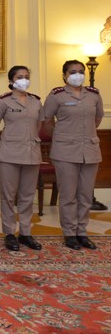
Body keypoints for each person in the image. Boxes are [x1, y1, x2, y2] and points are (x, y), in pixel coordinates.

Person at [43, 60, 103, 250]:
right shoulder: (56, 95)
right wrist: (61, 137)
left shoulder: (93, 94)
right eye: (72, 72)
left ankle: (82, 232)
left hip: (90, 151)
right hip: (65, 151)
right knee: (68, 195)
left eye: (80, 71)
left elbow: (98, 118)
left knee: (85, 195)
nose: (77, 75)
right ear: (64, 75)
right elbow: (47, 121)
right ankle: (69, 233)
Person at [0, 65, 44, 251]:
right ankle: (10, 233)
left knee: (27, 195)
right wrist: (0, 148)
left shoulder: (36, 101)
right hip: (8, 155)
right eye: (19, 77)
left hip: (31, 154)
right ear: (11, 80)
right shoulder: (3, 101)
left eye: (26, 76)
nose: (24, 80)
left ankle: (26, 233)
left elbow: (39, 125)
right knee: (8, 196)